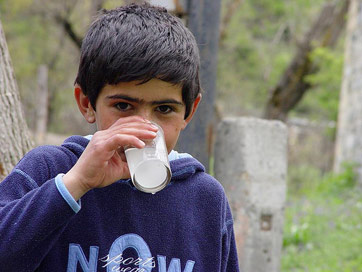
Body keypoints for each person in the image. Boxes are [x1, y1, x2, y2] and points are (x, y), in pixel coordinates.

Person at [0, 3, 239, 272]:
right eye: (124, 106)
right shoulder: (50, 169)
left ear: (189, 112)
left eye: (164, 109)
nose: (144, 128)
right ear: (87, 103)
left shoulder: (205, 199)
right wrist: (75, 184)